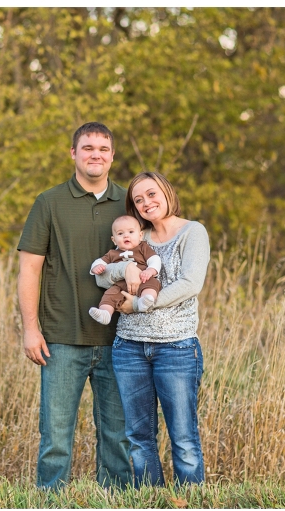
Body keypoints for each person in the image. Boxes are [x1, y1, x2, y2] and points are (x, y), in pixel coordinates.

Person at [17, 122, 131, 490]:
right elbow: (29, 269)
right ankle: (50, 504)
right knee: (54, 439)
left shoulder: (130, 203)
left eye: (103, 148)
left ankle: (118, 505)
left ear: (112, 156)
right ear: (73, 154)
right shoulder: (49, 202)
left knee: (118, 438)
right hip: (62, 338)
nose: (95, 154)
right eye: (87, 148)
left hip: (122, 340)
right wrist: (30, 329)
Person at [96, 171, 209, 488]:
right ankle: (150, 501)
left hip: (176, 348)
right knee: (138, 437)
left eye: (152, 194)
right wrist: (126, 267)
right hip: (129, 347)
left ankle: (190, 502)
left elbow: (190, 284)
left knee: (183, 437)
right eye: (138, 199)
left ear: (167, 192)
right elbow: (102, 276)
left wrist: (140, 305)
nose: (147, 202)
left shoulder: (192, 232)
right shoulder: (133, 235)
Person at [88, 215, 162, 325]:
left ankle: (144, 300)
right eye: (120, 233)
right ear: (114, 240)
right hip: (120, 285)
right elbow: (100, 261)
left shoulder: (142, 247)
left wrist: (150, 270)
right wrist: (96, 267)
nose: (126, 236)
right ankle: (105, 313)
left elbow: (154, 259)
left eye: (131, 232)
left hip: (143, 278)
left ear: (140, 235)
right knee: (109, 295)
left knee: (152, 284)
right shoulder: (112, 253)